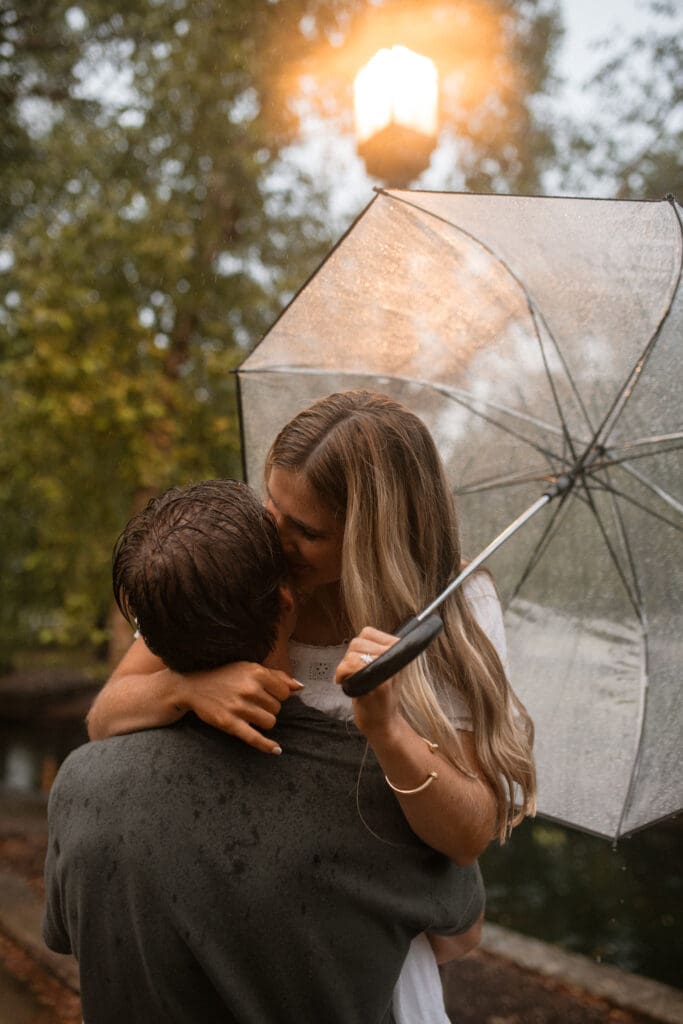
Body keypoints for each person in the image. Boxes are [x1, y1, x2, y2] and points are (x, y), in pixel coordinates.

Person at [86, 390, 536, 1022]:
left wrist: (386, 730)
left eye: (308, 531)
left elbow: (467, 838)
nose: (276, 537)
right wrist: (179, 688)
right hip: (226, 922)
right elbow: (106, 718)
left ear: (376, 535)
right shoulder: (239, 567)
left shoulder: (452, 614)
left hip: (364, 951)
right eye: (273, 505)